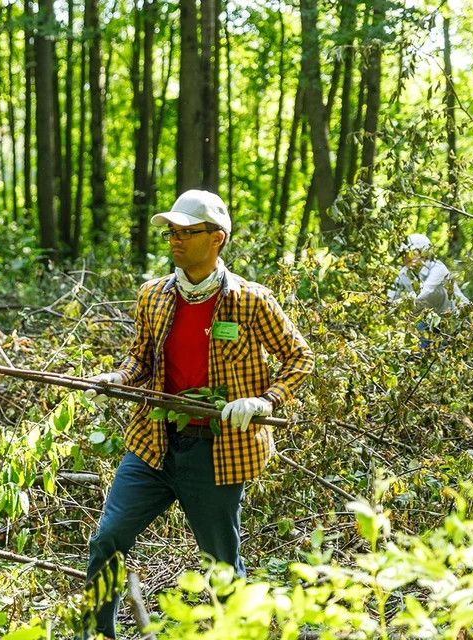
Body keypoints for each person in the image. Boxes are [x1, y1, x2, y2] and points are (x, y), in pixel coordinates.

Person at [84, 189, 314, 638]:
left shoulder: (250, 301)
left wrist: (266, 400)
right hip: (152, 446)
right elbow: (141, 357)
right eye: (172, 231)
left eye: (187, 232)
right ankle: (94, 635)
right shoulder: (153, 296)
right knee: (108, 539)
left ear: (217, 239)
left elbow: (300, 358)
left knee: (222, 565)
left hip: (218, 454)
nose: (175, 240)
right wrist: (118, 377)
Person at [389, 233, 469, 348]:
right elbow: (392, 293)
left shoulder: (437, 268)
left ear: (424, 253)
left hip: (458, 317)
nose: (407, 257)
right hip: (433, 319)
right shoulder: (404, 274)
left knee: (463, 354)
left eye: (412, 253)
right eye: (405, 254)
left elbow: (425, 292)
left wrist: (399, 303)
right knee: (417, 351)